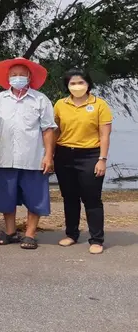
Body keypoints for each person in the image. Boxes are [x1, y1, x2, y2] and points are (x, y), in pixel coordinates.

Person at [0, 57, 57, 250]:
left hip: (33, 158)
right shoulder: (0, 99)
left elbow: (48, 129)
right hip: (6, 158)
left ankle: (30, 234)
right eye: (13, 75)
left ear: (29, 77)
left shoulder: (40, 99)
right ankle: (10, 232)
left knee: (35, 197)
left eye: (21, 75)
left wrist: (48, 155)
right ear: (8, 77)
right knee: (6, 197)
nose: (17, 78)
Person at [53, 69, 112, 254]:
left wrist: (102, 159)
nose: (77, 86)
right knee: (69, 197)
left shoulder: (99, 104)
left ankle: (97, 239)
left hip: (90, 155)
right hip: (64, 154)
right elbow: (55, 131)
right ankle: (71, 234)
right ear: (67, 86)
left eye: (81, 83)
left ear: (88, 84)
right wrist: (49, 155)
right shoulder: (60, 104)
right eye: (73, 83)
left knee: (92, 198)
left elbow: (105, 135)